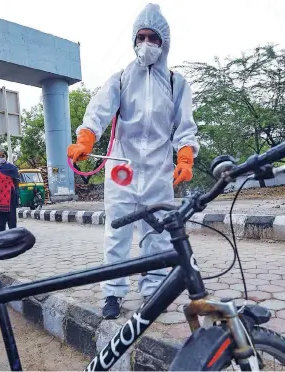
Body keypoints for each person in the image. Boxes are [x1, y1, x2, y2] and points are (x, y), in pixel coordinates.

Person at [67, 3, 199, 319]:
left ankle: (152, 292)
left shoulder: (176, 83)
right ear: (134, 40)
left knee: (156, 236)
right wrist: (86, 137)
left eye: (153, 37)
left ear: (164, 43)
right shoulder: (121, 79)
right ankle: (113, 294)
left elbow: (186, 125)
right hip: (122, 170)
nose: (146, 43)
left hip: (158, 172)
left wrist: (185, 156)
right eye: (141, 36)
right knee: (117, 235)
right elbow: (98, 111)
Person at [0, 150, 20, 231]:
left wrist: (15, 192)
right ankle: (2, 237)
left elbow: (16, 181)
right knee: (0, 219)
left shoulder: (12, 168)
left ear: (6, 157)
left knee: (11, 218)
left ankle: (13, 237)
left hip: (9, 195)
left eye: (2, 155)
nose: (1, 157)